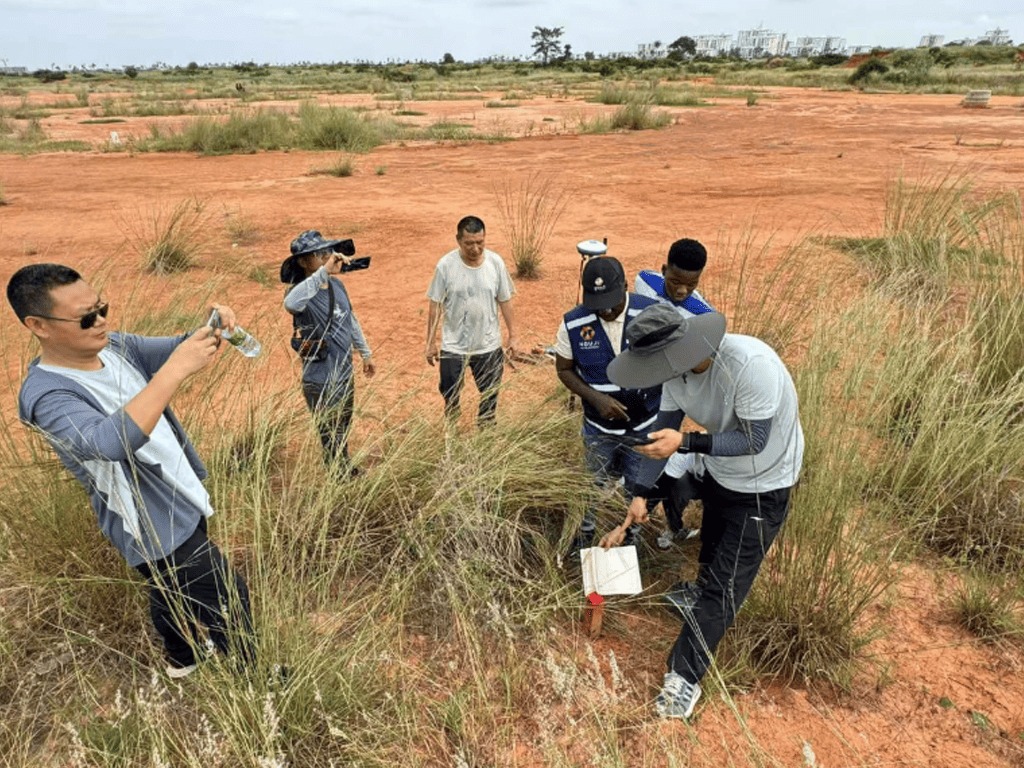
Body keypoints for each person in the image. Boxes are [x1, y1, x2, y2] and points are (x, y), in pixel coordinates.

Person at [8, 263, 256, 679]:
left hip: (180, 491)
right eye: (87, 317)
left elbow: (178, 348)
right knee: (227, 595)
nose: (102, 321)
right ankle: (256, 680)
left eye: (102, 307)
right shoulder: (47, 394)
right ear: (39, 325)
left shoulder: (114, 346)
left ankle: (181, 658)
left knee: (166, 587)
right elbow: (106, 443)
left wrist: (212, 328)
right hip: (147, 521)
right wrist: (176, 370)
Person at [601, 303, 804, 720]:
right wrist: (639, 496)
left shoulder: (751, 366)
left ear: (684, 346)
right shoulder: (677, 376)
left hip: (765, 483)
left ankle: (684, 678)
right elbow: (664, 437)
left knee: (725, 587)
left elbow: (753, 440)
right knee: (710, 557)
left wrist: (688, 443)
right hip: (722, 476)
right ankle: (699, 603)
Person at [553, 256, 666, 554]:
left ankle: (631, 539)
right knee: (591, 484)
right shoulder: (574, 322)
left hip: (643, 427)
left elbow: (670, 360)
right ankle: (584, 534)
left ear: (626, 287)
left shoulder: (651, 312)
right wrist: (596, 398)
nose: (604, 310)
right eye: (597, 303)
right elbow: (564, 369)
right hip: (598, 429)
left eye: (611, 302)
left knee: (636, 487)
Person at [636, 238, 716, 549]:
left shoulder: (703, 315)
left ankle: (646, 509)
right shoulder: (644, 281)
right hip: (638, 383)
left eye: (691, 284)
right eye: (675, 281)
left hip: (671, 393)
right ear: (663, 270)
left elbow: (703, 366)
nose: (682, 291)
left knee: (655, 450)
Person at [282, 230, 375, 474]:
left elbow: (349, 319)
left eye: (327, 251)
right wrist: (324, 272)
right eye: (318, 254)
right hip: (320, 378)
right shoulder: (300, 291)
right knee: (329, 431)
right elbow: (290, 304)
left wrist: (365, 352)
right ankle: (338, 476)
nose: (326, 257)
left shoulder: (337, 285)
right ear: (303, 262)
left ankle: (343, 467)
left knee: (342, 425)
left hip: (344, 372)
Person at [425, 215, 518, 426]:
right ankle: (452, 435)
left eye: (480, 242)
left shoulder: (495, 263)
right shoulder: (445, 266)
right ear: (458, 240)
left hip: (488, 345)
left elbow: (505, 300)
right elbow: (435, 305)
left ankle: (485, 439)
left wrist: (513, 336)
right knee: (450, 396)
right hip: (454, 346)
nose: (475, 248)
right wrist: (430, 343)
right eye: (469, 243)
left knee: (490, 397)